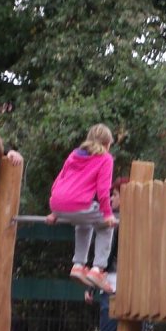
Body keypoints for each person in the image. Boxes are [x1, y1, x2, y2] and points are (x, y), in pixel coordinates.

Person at [86, 177, 147, 331]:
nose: (111, 199)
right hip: (130, 285)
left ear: (126, 196)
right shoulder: (142, 222)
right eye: (110, 195)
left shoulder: (109, 222)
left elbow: (101, 258)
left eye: (115, 195)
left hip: (110, 284)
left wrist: (92, 284)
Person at [47, 124, 116, 292]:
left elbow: (59, 180)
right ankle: (97, 269)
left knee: (84, 223)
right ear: (107, 144)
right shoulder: (105, 158)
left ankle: (78, 265)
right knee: (104, 227)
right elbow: (103, 191)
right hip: (79, 204)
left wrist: (55, 211)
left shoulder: (74, 155)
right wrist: (108, 215)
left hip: (57, 202)